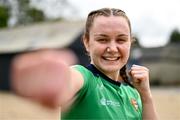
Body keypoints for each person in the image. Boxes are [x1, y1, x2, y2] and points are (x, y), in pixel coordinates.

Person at [4, 8, 157, 119]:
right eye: (102, 39)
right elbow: (70, 80)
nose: (112, 48)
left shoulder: (133, 94)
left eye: (121, 40)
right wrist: (58, 81)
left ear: (131, 42)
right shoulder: (85, 78)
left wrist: (146, 96)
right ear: (86, 42)